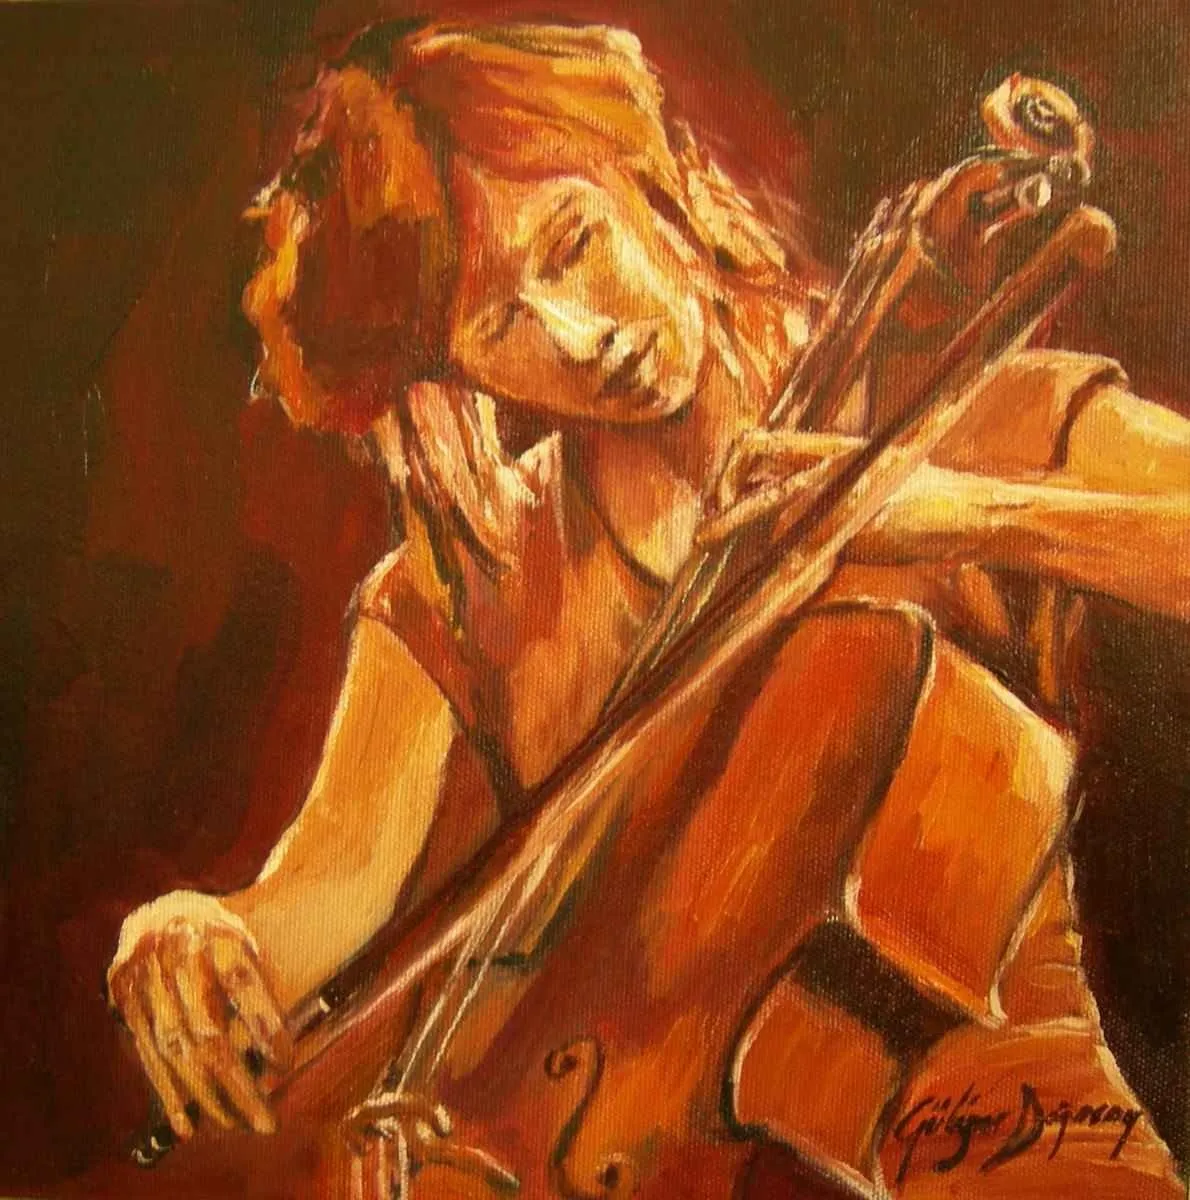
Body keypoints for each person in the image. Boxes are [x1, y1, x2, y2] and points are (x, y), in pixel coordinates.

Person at [105, 19, 1187, 1197]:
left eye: (573, 244)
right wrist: (198, 935)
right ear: (461, 377)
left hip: (996, 1128)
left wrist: (949, 513)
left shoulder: (941, 411)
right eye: (498, 327)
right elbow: (328, 888)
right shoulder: (477, 581)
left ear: (648, 176)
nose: (580, 337)